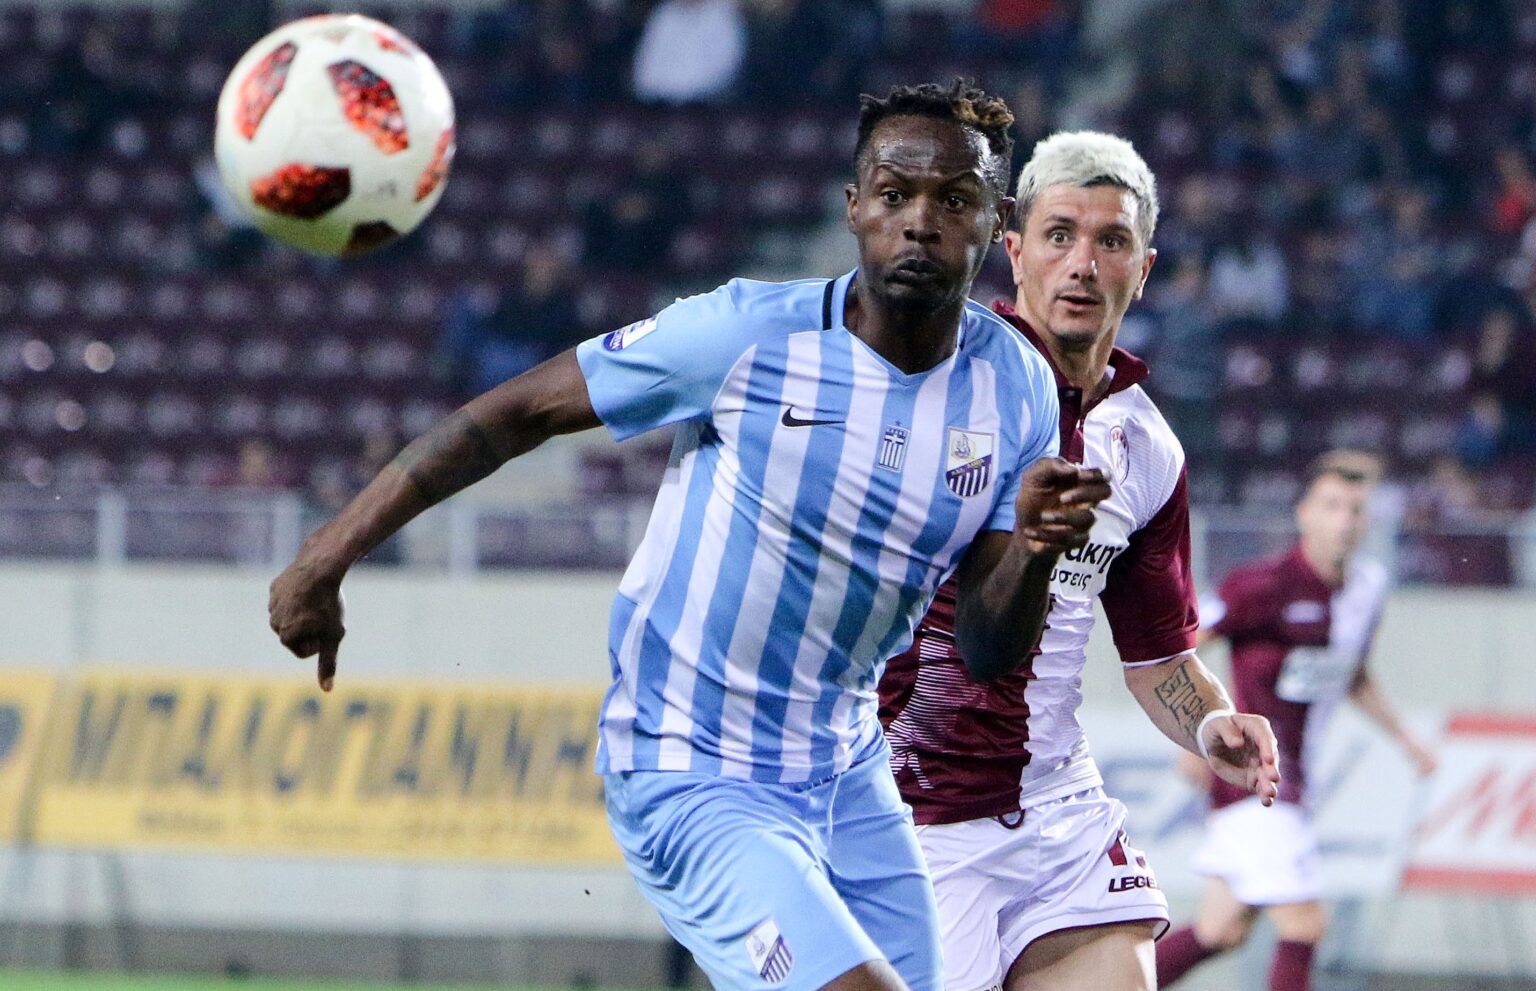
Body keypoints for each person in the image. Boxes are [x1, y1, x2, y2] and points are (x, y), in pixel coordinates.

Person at [270, 81, 1112, 991]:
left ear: (997, 223)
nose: (918, 222)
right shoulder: (747, 334)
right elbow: (514, 413)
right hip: (691, 765)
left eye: (953, 199)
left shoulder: (1016, 387)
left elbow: (987, 650)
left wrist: (1035, 550)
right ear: (853, 207)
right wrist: (330, 551)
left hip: (846, 772)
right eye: (893, 193)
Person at [878, 131, 1282, 991]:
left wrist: (1211, 722)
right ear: (1014, 248)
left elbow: (1160, 657)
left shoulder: (1146, 447)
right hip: (910, 816)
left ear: (1144, 268)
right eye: (1059, 235)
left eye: (1112, 241)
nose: (1084, 264)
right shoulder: (931, 382)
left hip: (1057, 810)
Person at [1156, 450, 1437, 991]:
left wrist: (1408, 742)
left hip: (1296, 779)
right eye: (1332, 506)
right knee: (1305, 924)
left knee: (1221, 929)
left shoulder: (1366, 590)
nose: (1345, 520)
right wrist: (1194, 734)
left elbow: (1353, 675)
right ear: (1304, 513)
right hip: (1252, 779)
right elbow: (1180, 650)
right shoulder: (1261, 585)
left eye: (1356, 509)